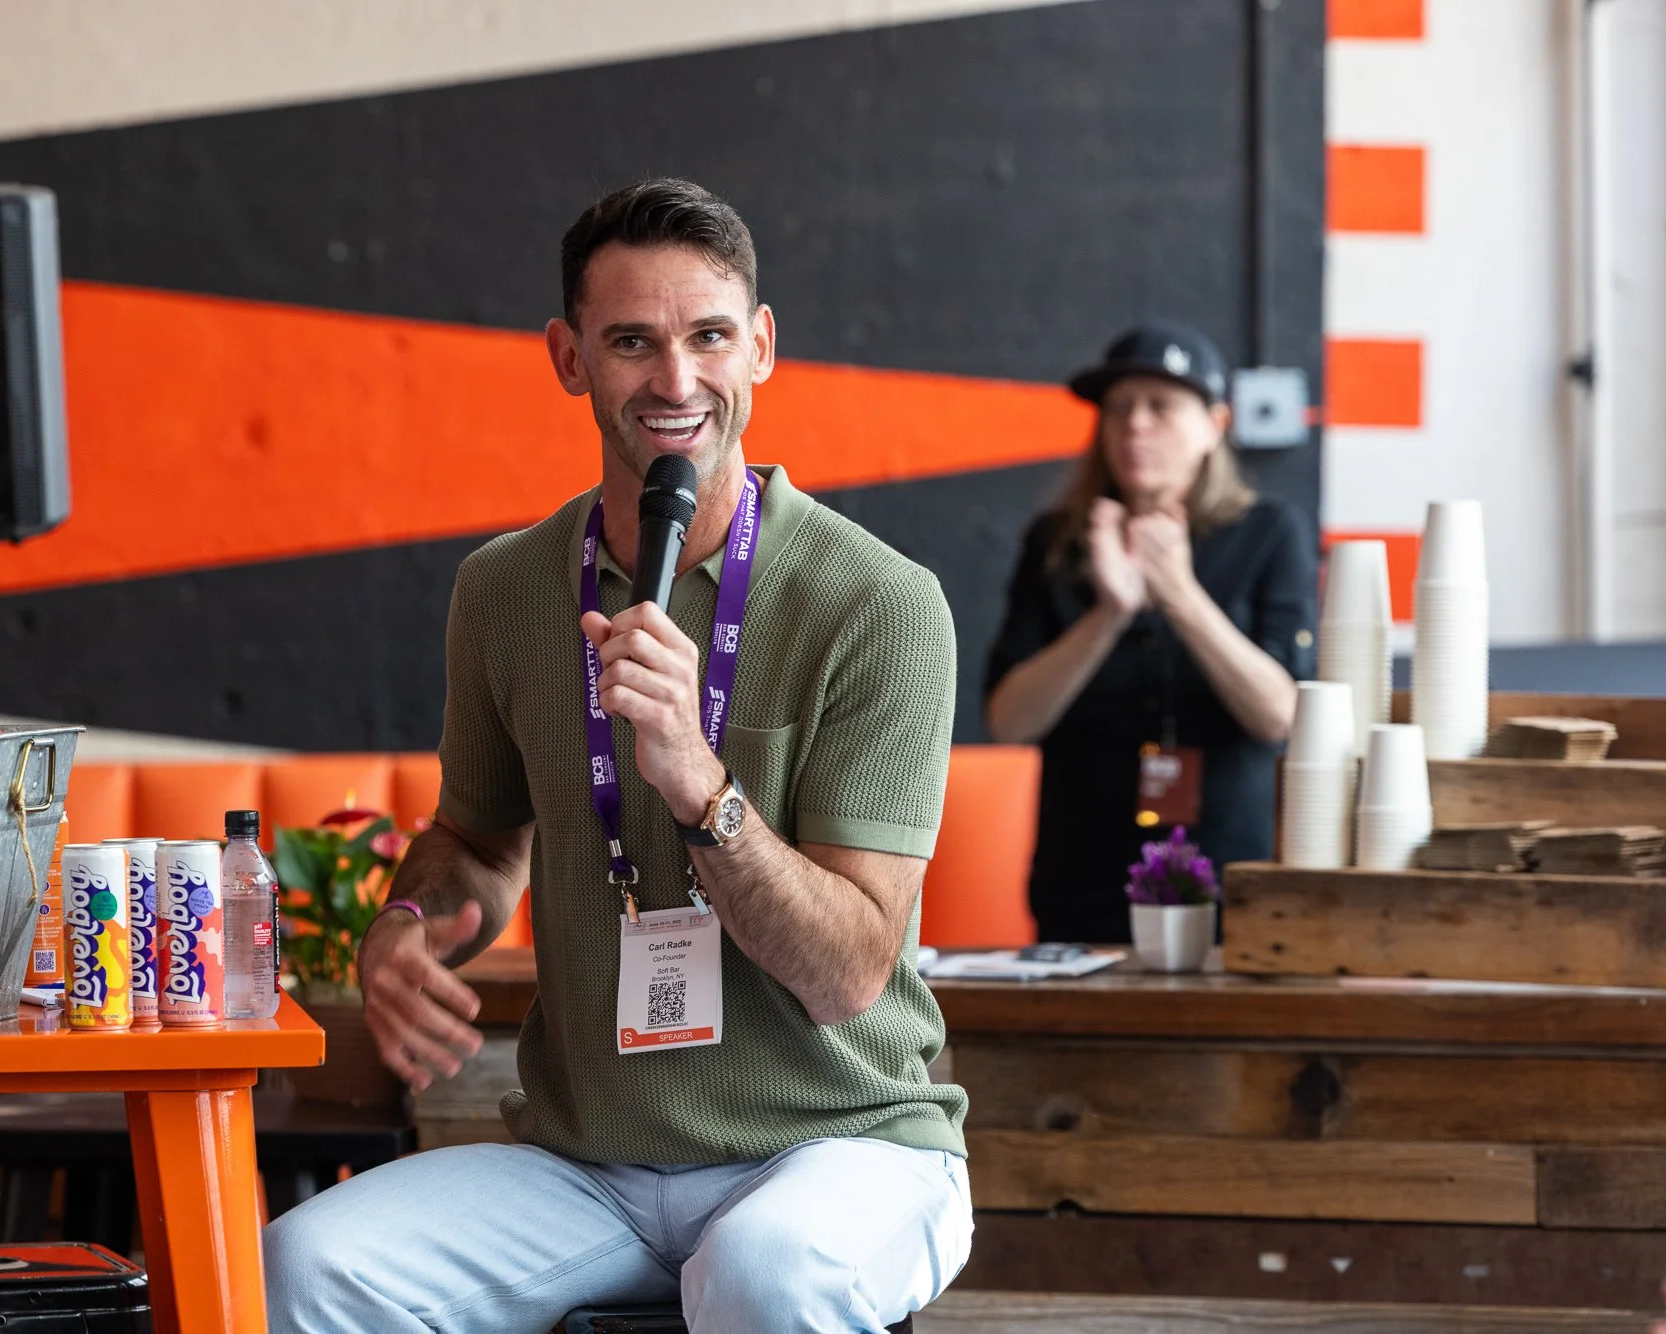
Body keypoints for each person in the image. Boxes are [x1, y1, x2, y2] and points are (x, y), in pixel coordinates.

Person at [265, 179, 971, 1334]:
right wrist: (403, 925)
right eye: (632, 341)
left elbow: (848, 972)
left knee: (761, 1273)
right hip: (588, 1162)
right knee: (299, 1266)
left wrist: (697, 779)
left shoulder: (876, 601)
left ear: (761, 347)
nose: (676, 380)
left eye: (708, 337)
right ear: (568, 357)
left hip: (841, 1145)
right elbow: (475, 840)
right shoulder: (501, 588)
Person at [982, 322, 1315, 944]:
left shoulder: (1269, 533)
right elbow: (1010, 721)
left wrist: (1180, 593)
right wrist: (1109, 613)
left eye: (1160, 406)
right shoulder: (1057, 542)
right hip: (1083, 890)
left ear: (1215, 424)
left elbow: (1281, 715)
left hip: (1231, 890)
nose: (1135, 425)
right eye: (1118, 408)